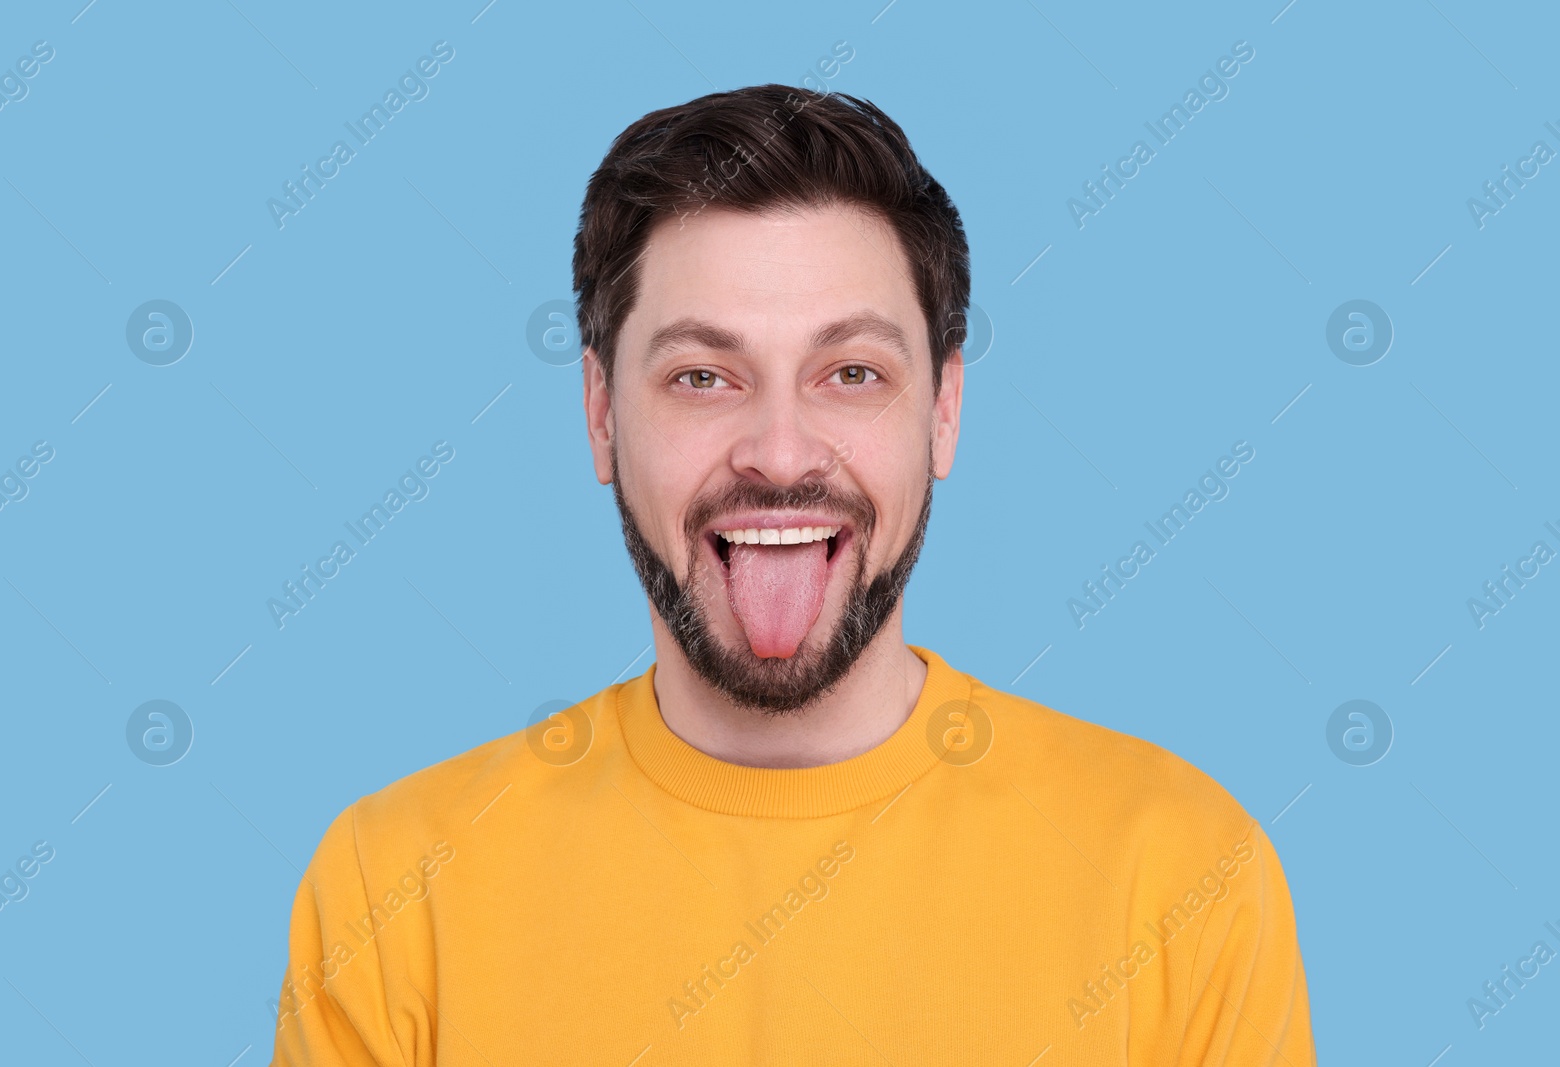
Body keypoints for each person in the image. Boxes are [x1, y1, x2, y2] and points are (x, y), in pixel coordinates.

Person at [270, 83, 1314, 1065]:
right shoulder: (394, 888)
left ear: (943, 410)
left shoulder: (1180, 872)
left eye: (851, 372)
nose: (778, 450)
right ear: (600, 414)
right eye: (702, 376)